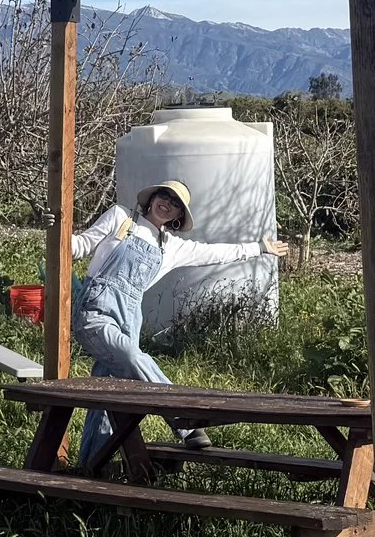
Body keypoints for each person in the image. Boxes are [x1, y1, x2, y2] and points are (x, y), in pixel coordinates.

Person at [69, 181, 287, 467]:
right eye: (164, 195)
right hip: (95, 312)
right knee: (133, 357)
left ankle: (93, 466)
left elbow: (215, 253)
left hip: (130, 320)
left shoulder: (172, 247)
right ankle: (184, 418)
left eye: (175, 203)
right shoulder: (120, 217)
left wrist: (259, 247)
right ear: (151, 199)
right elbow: (80, 245)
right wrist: (56, 230)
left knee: (108, 393)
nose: (167, 203)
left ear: (177, 217)